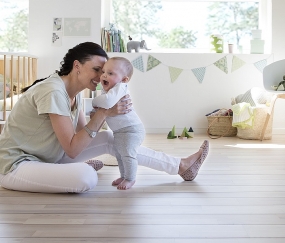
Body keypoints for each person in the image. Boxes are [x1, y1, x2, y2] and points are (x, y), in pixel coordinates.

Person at [0, 42, 209, 194]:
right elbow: (73, 149)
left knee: (112, 139)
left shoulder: (76, 94)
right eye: (97, 70)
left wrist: (110, 114)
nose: (102, 77)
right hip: (17, 164)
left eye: (105, 71)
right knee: (86, 176)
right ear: (77, 66)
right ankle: (73, 170)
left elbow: (84, 136)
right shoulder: (53, 91)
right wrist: (104, 112)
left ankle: (181, 166)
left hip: (49, 157)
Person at [91, 57, 145, 190]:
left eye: (110, 73)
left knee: (127, 153)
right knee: (119, 154)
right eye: (104, 71)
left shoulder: (120, 87)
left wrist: (94, 102)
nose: (104, 75)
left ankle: (130, 178)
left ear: (124, 79)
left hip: (131, 129)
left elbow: (107, 102)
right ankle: (123, 175)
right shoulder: (108, 91)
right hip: (120, 131)